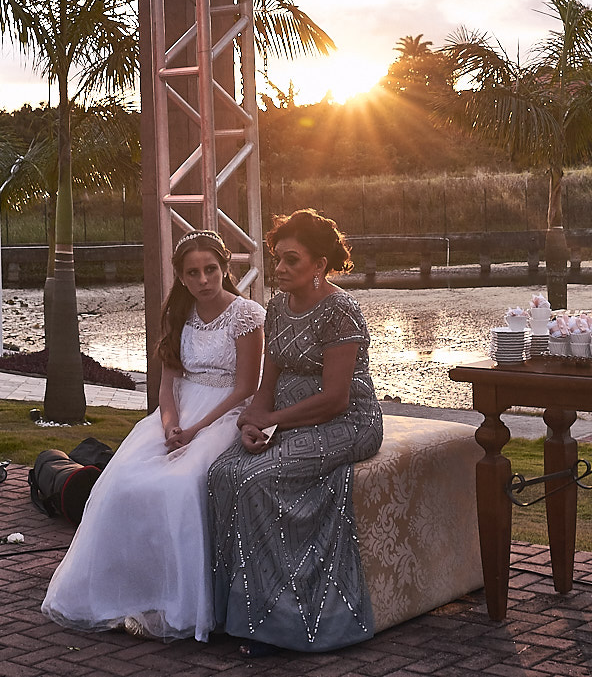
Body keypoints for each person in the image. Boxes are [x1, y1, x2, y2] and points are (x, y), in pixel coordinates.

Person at [42, 230, 265, 641]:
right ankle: (130, 594)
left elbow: (246, 386)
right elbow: (167, 384)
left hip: (227, 414)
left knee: (178, 488)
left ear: (225, 268)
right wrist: (169, 426)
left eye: (210, 270)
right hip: (179, 413)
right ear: (181, 277)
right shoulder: (180, 316)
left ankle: (177, 603)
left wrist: (197, 431)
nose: (203, 279)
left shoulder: (247, 315)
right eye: (193, 272)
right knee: (122, 484)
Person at [208, 208, 383, 657]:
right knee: (223, 474)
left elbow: (335, 399)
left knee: (258, 480)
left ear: (319, 266)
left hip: (347, 422)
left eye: (291, 260)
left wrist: (271, 422)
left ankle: (277, 623)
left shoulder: (341, 311)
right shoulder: (276, 306)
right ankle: (231, 613)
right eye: (277, 259)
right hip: (285, 417)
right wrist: (252, 421)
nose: (280, 269)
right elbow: (267, 381)